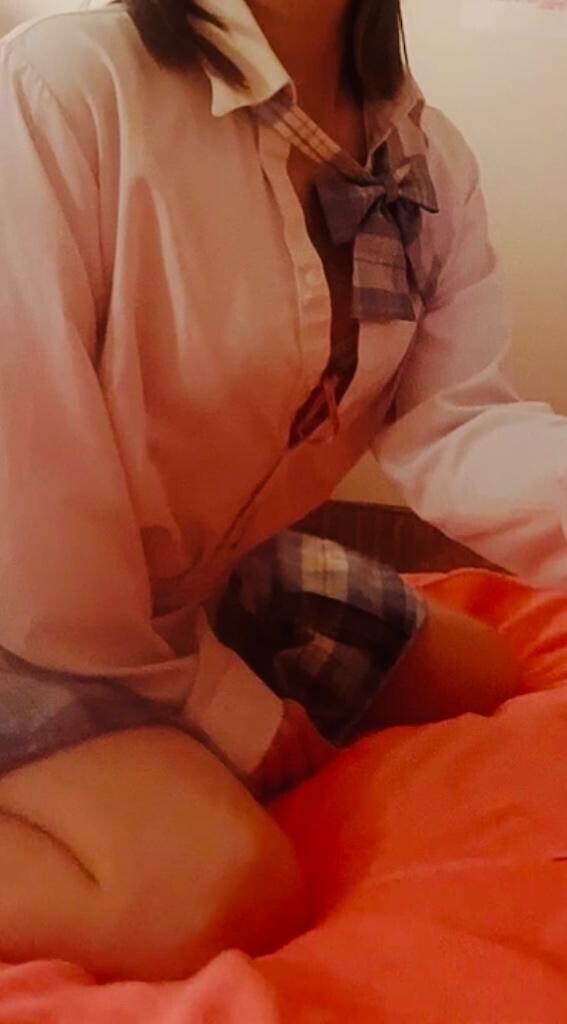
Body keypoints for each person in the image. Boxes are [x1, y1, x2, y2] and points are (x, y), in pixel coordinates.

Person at [0, 0, 561, 981]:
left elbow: (455, 423)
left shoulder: (421, 155)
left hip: (193, 569)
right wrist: (219, 702)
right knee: (216, 890)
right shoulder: (61, 93)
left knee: (478, 672)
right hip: (36, 603)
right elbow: (32, 515)